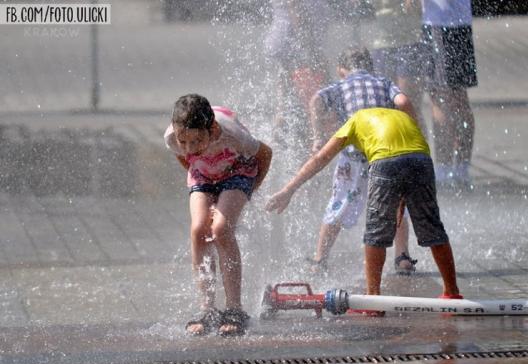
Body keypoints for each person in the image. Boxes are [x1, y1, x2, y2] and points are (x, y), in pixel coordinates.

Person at [266, 107, 462, 303]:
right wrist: (402, 199)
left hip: (385, 162)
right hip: (422, 161)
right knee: (432, 228)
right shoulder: (400, 116)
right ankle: (452, 292)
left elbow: (321, 158)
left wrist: (289, 190)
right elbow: (408, 156)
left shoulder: (354, 121)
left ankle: (373, 298)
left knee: (375, 234)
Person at [164, 94, 272, 336]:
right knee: (198, 230)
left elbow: (266, 155)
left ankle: (235, 308)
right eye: (185, 141)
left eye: (197, 140)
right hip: (204, 175)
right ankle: (207, 309)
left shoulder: (233, 135)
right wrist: (207, 187)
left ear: (212, 129)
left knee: (221, 229)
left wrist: (249, 191)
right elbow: (187, 160)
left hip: (238, 172)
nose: (190, 148)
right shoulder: (172, 137)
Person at [308, 46, 418, 277]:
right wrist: (411, 131)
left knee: (339, 203)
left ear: (341, 70)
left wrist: (318, 137)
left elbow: (316, 100)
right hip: (385, 153)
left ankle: (320, 260)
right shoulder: (384, 82)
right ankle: (402, 257)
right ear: (370, 67)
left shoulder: (339, 86)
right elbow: (404, 101)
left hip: (354, 158)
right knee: (396, 202)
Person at [421, 0, 477, 188]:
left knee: (440, 98)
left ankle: (443, 170)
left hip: (439, 22)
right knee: (459, 98)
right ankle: (461, 168)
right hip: (459, 22)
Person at [264, 0, 331, 150]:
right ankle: (299, 142)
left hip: (292, 34)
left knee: (291, 99)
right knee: (298, 102)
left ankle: (288, 139)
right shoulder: (300, 38)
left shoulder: (309, 46)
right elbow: (293, 4)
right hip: (295, 36)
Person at [359, 0, 428, 136]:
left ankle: (421, 154)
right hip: (381, 44)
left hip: (410, 42)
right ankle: (391, 152)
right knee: (384, 106)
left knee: (409, 106)